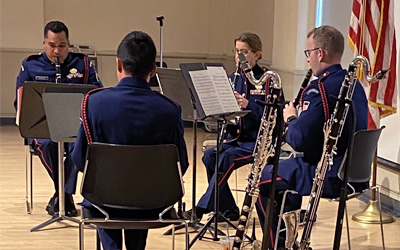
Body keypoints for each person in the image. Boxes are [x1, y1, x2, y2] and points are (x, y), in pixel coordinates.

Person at [71, 31, 189, 250]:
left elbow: (79, 161)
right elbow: (181, 164)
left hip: (104, 202)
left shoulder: (93, 103)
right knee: (140, 195)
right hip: (153, 204)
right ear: (153, 70)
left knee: (105, 196)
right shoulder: (170, 109)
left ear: (118, 64)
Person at [255, 25, 368, 249]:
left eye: (308, 53)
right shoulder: (354, 84)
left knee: (264, 179)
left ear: (320, 53)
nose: (308, 60)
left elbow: (299, 140)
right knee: (283, 175)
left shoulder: (320, 89)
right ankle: (289, 241)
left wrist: (290, 118)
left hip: (329, 175)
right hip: (355, 175)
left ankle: (275, 246)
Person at [184, 32, 281, 221]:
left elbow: (275, 118)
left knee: (226, 157)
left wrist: (248, 106)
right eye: (236, 52)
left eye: (244, 52)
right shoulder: (230, 79)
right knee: (210, 156)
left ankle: (202, 207)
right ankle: (227, 209)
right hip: (235, 138)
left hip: (257, 142)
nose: (239, 57)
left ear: (257, 54)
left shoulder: (268, 80)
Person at [14, 20, 103, 217]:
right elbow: (20, 102)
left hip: (75, 126)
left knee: (78, 146)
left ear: (68, 44)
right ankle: (65, 195)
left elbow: (98, 96)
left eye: (62, 45)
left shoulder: (83, 64)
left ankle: (61, 195)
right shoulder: (30, 65)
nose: (57, 51)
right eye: (52, 45)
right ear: (44, 43)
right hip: (42, 126)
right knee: (47, 145)